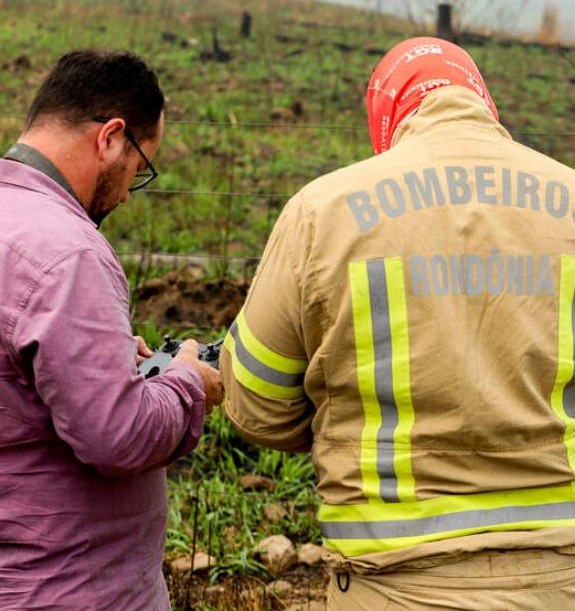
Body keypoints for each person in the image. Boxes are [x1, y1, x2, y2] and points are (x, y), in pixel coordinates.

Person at [220, 36, 575, 609]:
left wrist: (335, 416)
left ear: (386, 119)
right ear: (484, 102)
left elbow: (256, 401)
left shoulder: (323, 212)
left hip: (393, 583)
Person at [0, 49, 222, 610]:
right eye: (140, 167)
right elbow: (118, 436)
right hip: (70, 587)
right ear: (111, 138)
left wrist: (106, 363)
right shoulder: (67, 253)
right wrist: (186, 383)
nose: (123, 194)